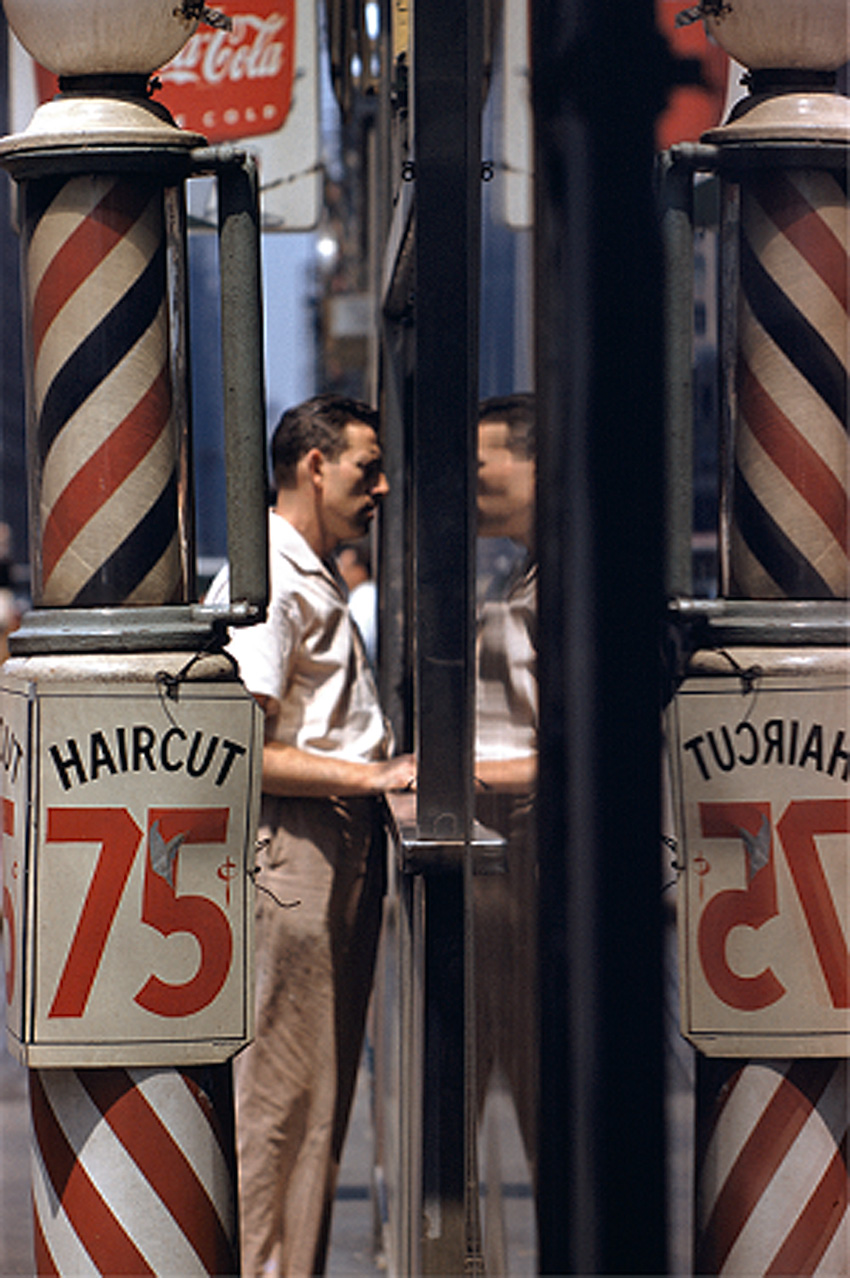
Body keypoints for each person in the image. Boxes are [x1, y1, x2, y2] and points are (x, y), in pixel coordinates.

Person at [205, 394, 415, 1277]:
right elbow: (240, 747)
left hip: (324, 843)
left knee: (311, 1096)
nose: (383, 487)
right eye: (368, 466)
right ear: (315, 465)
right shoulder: (272, 581)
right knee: (282, 1101)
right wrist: (373, 776)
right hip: (297, 847)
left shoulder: (300, 570)